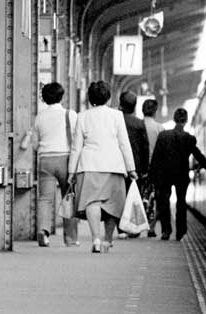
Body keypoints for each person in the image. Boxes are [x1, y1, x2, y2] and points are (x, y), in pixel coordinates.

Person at [68, 81, 137, 253]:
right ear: (108, 97)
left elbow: (76, 147)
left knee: (92, 201)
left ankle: (96, 240)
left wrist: (71, 171)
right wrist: (131, 168)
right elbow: (124, 144)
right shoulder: (117, 116)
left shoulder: (82, 116)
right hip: (113, 165)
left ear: (90, 99)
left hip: (89, 165)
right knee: (113, 204)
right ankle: (107, 240)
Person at [150, 108, 206, 241]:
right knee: (181, 202)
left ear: (174, 119)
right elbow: (200, 157)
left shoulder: (163, 136)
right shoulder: (189, 138)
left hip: (165, 175)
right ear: (186, 121)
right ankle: (180, 232)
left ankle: (166, 231)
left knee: (164, 202)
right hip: (181, 175)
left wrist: (152, 176)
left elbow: (156, 158)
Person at [32, 82, 79, 247]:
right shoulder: (70, 115)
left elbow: (34, 143)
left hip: (45, 159)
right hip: (65, 159)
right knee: (69, 198)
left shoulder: (40, 117)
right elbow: (77, 139)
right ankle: (70, 238)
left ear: (44, 99)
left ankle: (43, 232)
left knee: (45, 199)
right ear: (62, 96)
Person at [117, 91, 149, 239]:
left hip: (116, 165)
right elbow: (145, 148)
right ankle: (134, 227)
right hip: (135, 168)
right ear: (135, 106)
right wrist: (145, 169)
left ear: (120, 104)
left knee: (118, 197)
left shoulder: (115, 120)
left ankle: (121, 227)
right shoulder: (139, 123)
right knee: (134, 197)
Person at [141, 99, 164, 237]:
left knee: (139, 196)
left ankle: (136, 225)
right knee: (154, 199)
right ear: (155, 111)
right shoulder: (160, 128)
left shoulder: (138, 125)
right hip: (156, 169)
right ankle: (151, 227)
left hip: (139, 169)